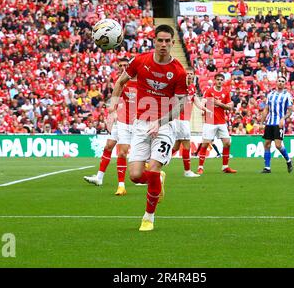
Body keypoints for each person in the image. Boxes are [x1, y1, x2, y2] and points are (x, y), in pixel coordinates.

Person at [106, 24, 188, 231]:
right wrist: (112, 108)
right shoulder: (141, 61)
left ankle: (148, 218)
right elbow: (120, 82)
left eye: (167, 41)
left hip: (165, 126)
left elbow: (179, 106)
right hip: (140, 124)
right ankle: (157, 179)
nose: (163, 44)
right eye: (159, 40)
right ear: (154, 41)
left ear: (172, 43)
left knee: (152, 168)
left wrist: (159, 122)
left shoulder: (178, 71)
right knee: (135, 176)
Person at [83, 58, 136, 196]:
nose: (123, 68)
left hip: (131, 122)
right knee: (108, 146)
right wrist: (111, 116)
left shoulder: (137, 82)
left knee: (124, 152)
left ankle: (125, 183)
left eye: (125, 65)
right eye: (121, 66)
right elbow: (116, 101)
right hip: (120, 120)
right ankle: (99, 178)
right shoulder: (119, 83)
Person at [172, 69, 211, 177]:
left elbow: (196, 101)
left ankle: (154, 163)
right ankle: (187, 171)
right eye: (187, 74)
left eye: (191, 74)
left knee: (176, 146)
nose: (189, 75)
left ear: (194, 76)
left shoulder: (192, 87)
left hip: (185, 120)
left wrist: (204, 109)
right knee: (187, 145)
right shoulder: (180, 87)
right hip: (180, 119)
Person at [196, 73, 237, 175]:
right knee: (205, 143)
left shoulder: (226, 92)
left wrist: (219, 104)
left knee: (227, 142)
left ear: (223, 81)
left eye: (221, 80)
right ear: (215, 80)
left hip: (221, 121)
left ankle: (225, 167)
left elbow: (229, 107)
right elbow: (203, 102)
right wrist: (204, 109)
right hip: (210, 121)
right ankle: (200, 167)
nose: (219, 81)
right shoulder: (209, 91)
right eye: (218, 79)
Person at [260, 76, 293, 174]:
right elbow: (266, 109)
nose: (280, 83)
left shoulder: (287, 95)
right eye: (279, 81)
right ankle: (267, 167)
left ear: (285, 83)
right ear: (276, 82)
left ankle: (288, 160)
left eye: (283, 81)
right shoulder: (270, 94)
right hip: (270, 122)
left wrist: (283, 118)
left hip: (279, 123)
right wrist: (262, 122)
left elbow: (290, 111)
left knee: (278, 145)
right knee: (267, 144)